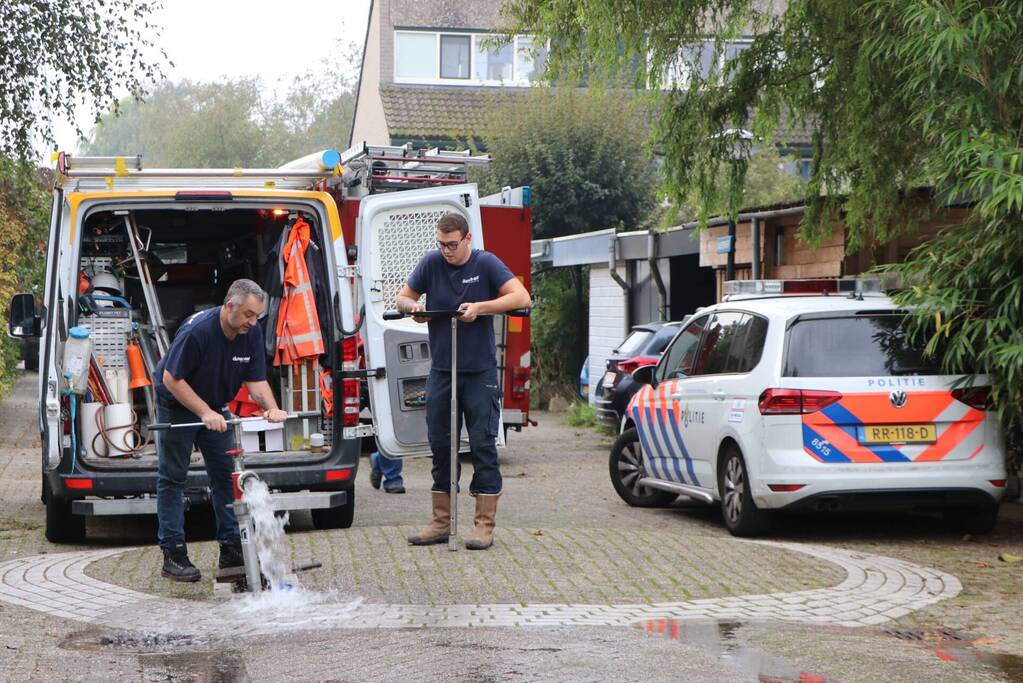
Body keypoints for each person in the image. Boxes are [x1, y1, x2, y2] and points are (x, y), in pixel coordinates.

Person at [396, 211, 530, 550]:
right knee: (441, 446)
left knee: (483, 445)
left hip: (479, 373)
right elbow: (402, 297)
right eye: (441, 245)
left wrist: (481, 308)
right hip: (442, 370)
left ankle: (483, 526)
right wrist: (413, 308)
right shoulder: (430, 264)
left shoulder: (485, 264)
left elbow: (521, 296)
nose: (447, 252)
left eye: (452, 245)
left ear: (467, 239)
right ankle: (441, 522)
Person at [154, 279, 287, 582]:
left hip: (215, 405)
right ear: (230, 307)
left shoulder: (249, 332)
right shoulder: (197, 332)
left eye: (257, 316)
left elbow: (255, 379)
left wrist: (270, 407)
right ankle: (173, 553)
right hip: (178, 403)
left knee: (227, 478)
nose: (253, 323)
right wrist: (204, 412)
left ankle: (231, 552)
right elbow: (173, 379)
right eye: (248, 315)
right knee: (173, 478)